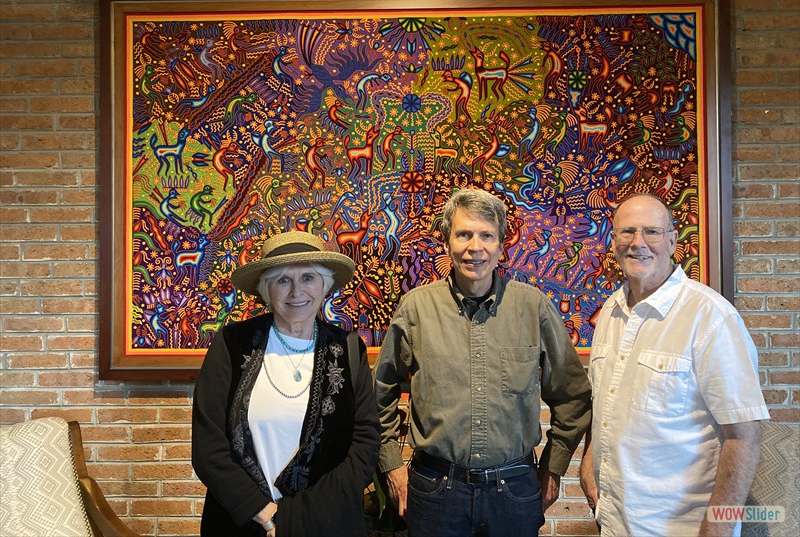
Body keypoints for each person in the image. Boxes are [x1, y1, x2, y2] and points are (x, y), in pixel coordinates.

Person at [374, 187, 592, 537]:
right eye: (464, 234)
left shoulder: (532, 307)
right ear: (447, 242)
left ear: (501, 246)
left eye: (486, 236)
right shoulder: (416, 309)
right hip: (435, 492)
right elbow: (379, 393)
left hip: (514, 491)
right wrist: (391, 465)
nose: (475, 247)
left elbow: (572, 395)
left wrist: (553, 467)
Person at [579, 193, 769, 536]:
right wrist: (590, 464)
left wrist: (718, 529)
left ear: (672, 240)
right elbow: (606, 401)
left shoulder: (710, 317)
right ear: (613, 240)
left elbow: (744, 438)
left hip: (682, 528)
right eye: (627, 232)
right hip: (615, 523)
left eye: (651, 232)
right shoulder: (610, 311)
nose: (638, 243)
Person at [192, 231, 380, 536]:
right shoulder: (231, 344)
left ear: (324, 286)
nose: (296, 291)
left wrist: (295, 519)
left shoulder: (348, 348)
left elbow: (365, 444)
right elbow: (208, 447)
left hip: (326, 524)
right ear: (266, 288)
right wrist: (265, 514)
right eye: (282, 280)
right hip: (240, 524)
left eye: (308, 278)